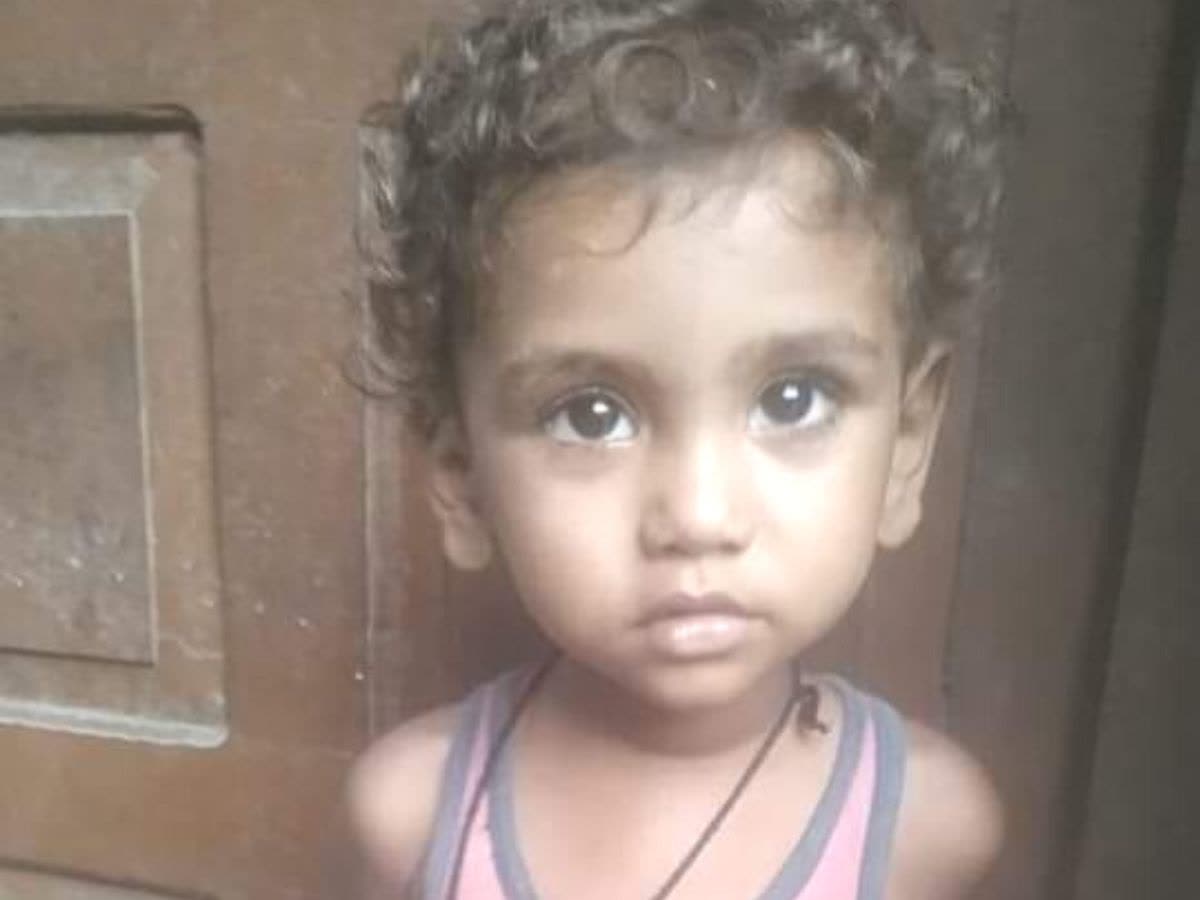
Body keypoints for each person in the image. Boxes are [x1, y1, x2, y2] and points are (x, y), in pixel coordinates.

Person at [349, 0, 1007, 897]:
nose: (699, 516)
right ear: (460, 476)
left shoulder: (930, 832)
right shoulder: (411, 817)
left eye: (793, 398)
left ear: (907, 444)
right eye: (590, 416)